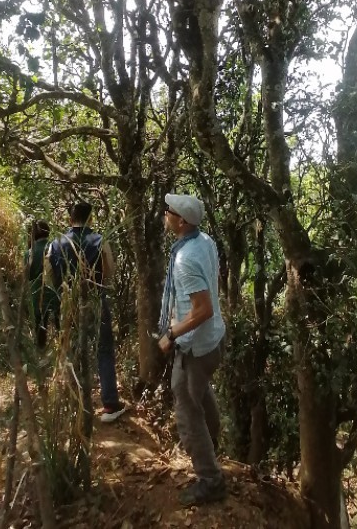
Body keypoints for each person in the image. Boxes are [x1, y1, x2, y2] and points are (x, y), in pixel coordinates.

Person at [158, 193, 227, 506]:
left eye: (167, 211)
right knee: (197, 394)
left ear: (181, 220)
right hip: (212, 342)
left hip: (194, 347)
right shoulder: (205, 241)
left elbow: (203, 310)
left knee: (186, 409)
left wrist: (171, 333)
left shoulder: (185, 260)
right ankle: (211, 444)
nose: (164, 214)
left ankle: (210, 480)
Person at [48, 201, 126, 423]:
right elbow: (109, 270)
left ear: (70, 219)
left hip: (69, 303)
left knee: (71, 350)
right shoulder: (100, 240)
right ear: (91, 218)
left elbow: (51, 276)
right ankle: (110, 405)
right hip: (96, 300)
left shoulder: (56, 243)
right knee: (103, 350)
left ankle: (75, 403)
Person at [26, 219, 60, 349]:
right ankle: (64, 354)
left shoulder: (29, 253)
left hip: (36, 293)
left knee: (40, 325)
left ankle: (40, 353)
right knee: (60, 323)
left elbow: (27, 276)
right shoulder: (55, 248)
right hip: (55, 290)